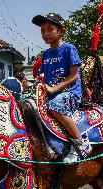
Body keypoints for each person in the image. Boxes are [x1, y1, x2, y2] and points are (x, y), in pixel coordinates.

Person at [32, 13, 91, 163]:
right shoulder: (45, 54)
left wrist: (53, 89)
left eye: (50, 29)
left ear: (61, 31)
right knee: (27, 104)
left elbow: (74, 76)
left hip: (70, 93)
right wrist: (40, 85)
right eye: (42, 30)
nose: (45, 33)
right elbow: (44, 77)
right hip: (52, 93)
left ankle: (81, 143)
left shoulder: (69, 49)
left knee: (55, 105)